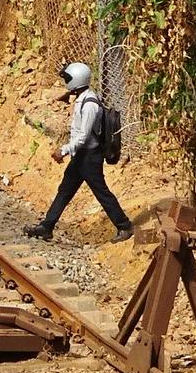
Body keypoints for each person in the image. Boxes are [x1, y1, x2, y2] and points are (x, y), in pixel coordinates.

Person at [24, 61, 133, 243]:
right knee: (65, 190)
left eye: (67, 79)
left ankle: (124, 226)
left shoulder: (89, 105)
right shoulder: (83, 97)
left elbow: (83, 136)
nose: (65, 82)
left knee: (101, 192)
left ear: (76, 80)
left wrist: (64, 150)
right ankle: (47, 226)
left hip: (89, 157)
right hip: (82, 156)